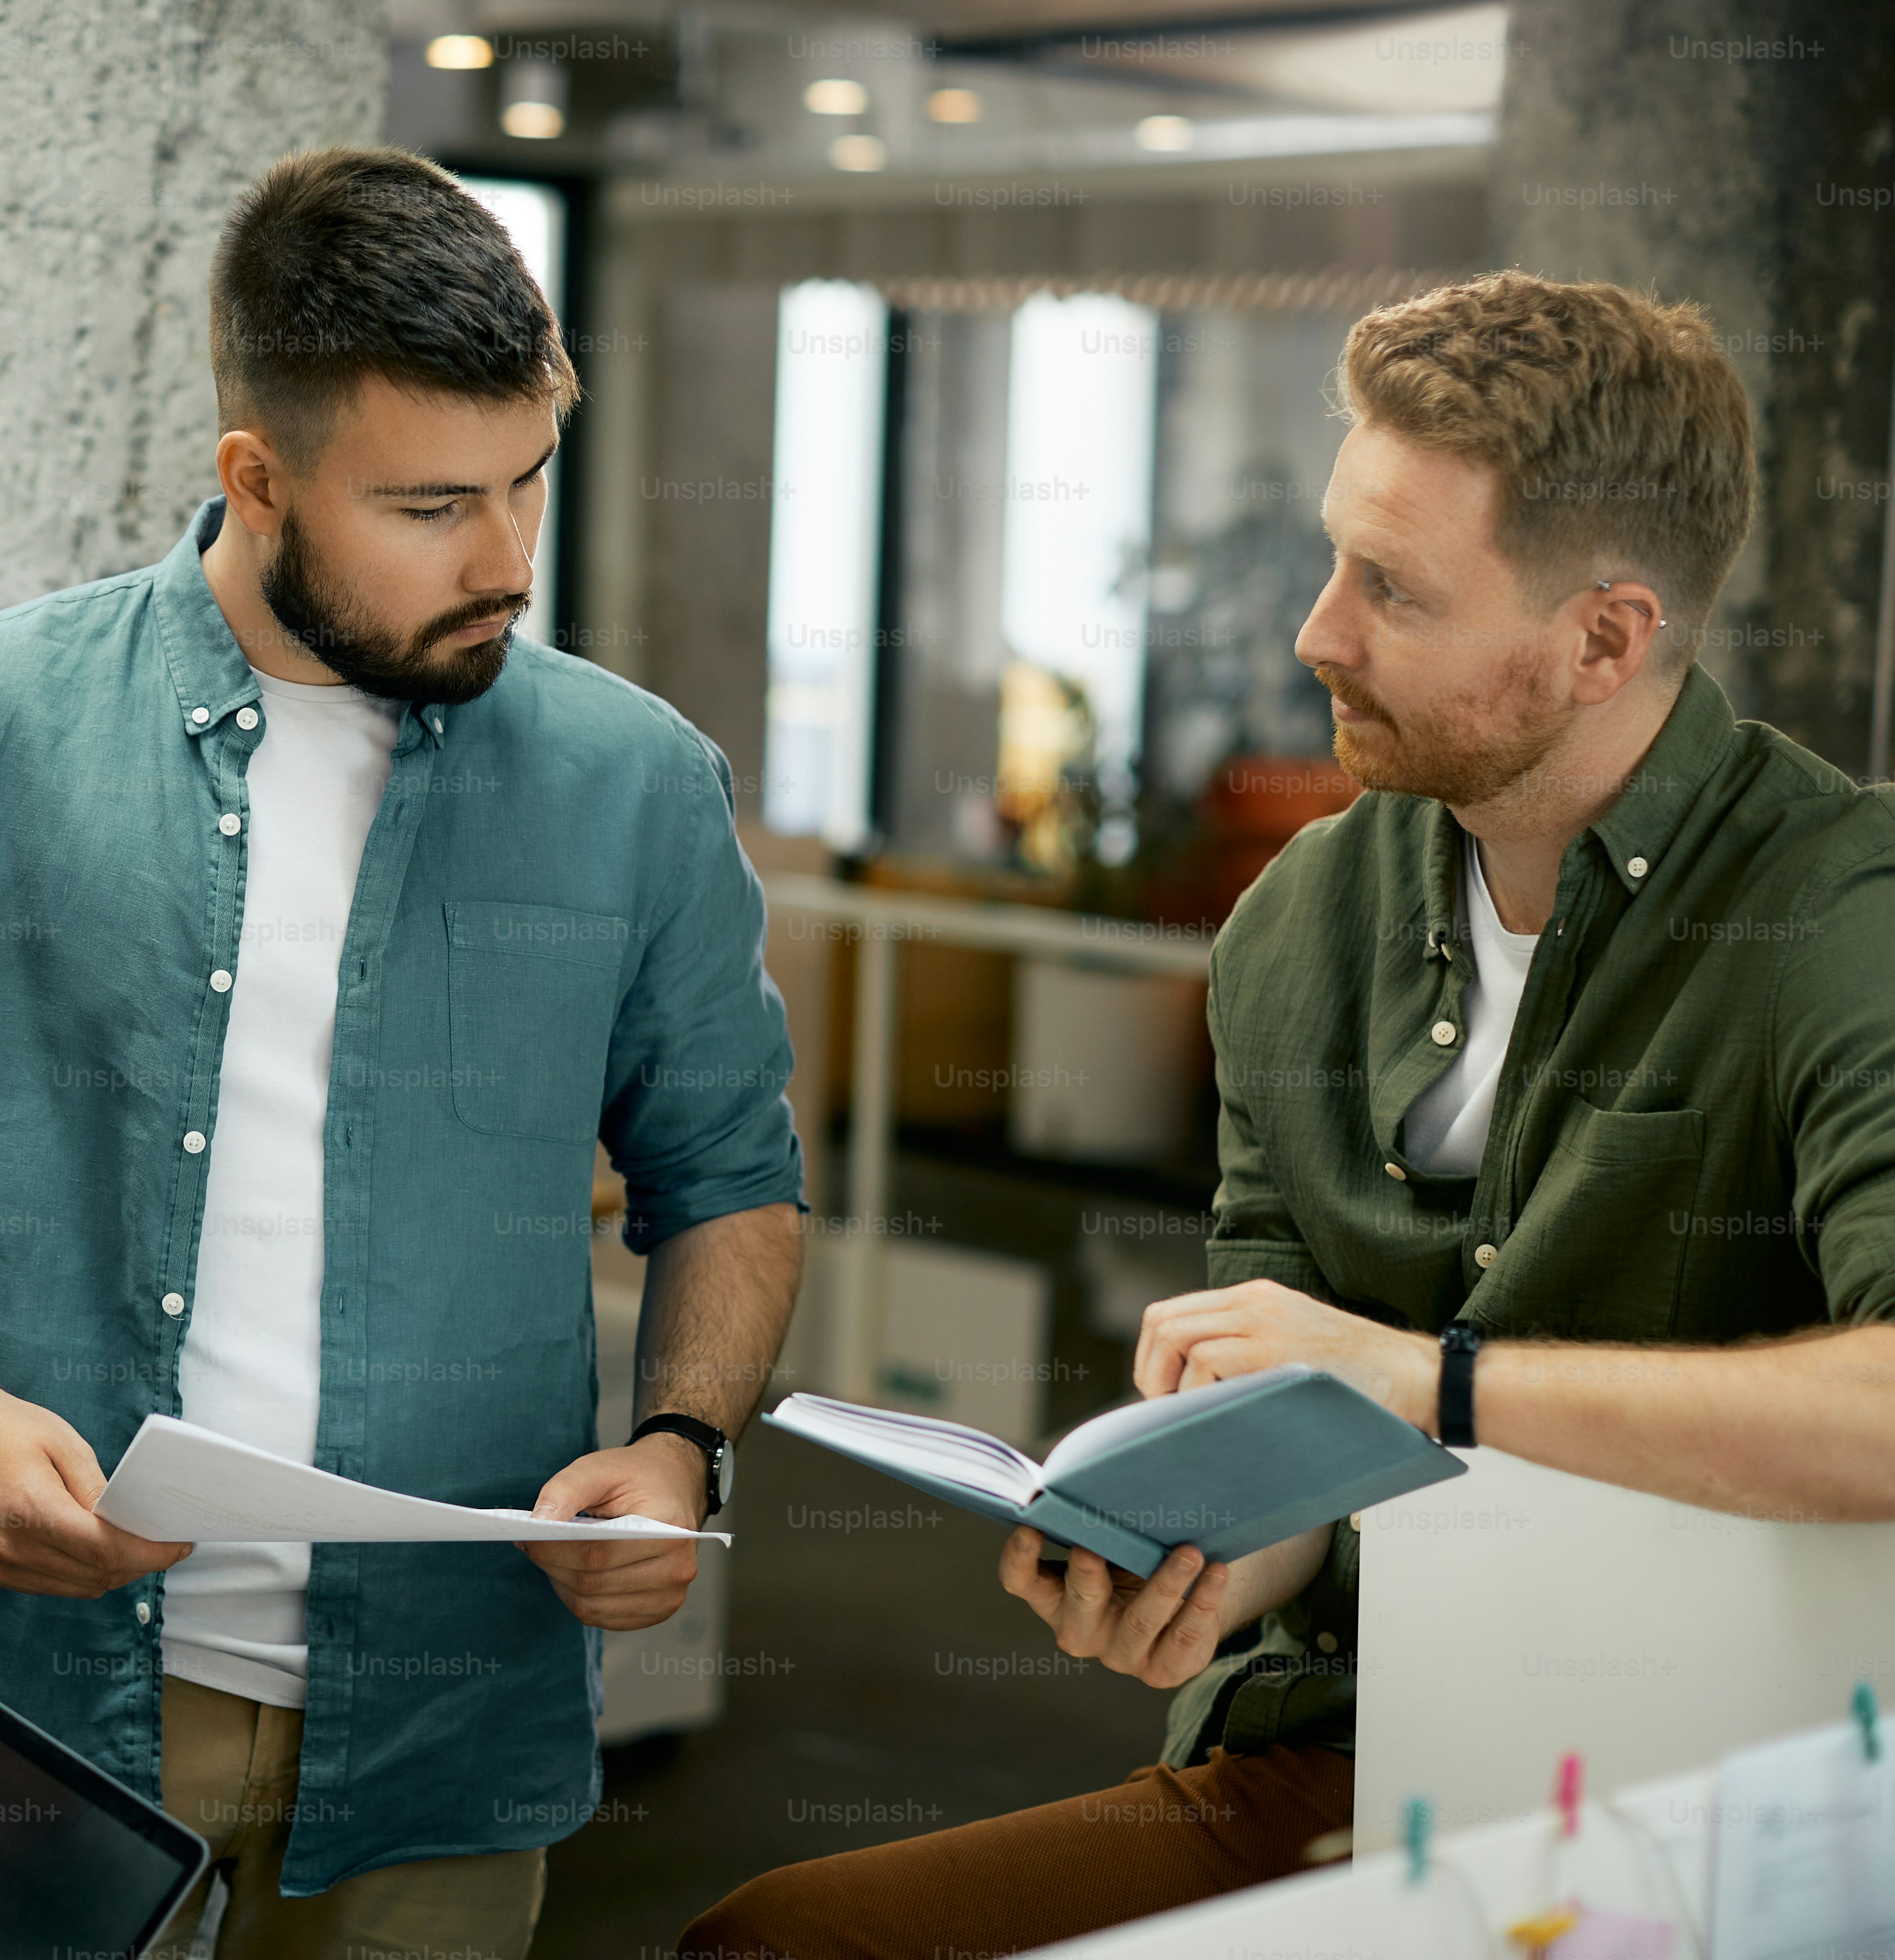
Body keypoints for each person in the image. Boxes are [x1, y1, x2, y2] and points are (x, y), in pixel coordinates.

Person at [683, 272, 1895, 1958]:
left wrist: (1438, 1382)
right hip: (1353, 1754)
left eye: (1392, 588)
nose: (1316, 630)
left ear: (1607, 637)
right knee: (773, 1942)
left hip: (1704, 1799)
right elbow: (1288, 1435)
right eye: (1337, 557)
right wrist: (1196, 1559)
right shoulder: (1300, 920)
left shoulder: (1846, 916)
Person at [0, 146, 805, 1960]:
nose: (510, 560)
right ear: (256, 477)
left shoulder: (638, 787)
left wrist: (681, 1443)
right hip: (26, 1691)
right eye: (433, 506)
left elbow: (733, 1181)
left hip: (445, 1708)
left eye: (532, 481)